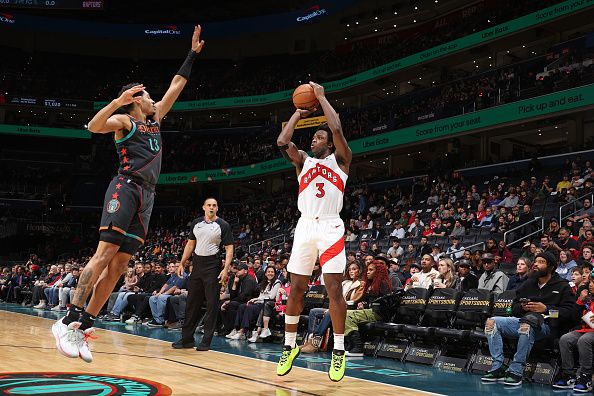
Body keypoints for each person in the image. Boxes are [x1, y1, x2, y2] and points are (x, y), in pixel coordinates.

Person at [52, 26, 206, 363]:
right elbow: (93, 127)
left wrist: (192, 53)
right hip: (125, 187)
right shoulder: (124, 120)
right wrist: (116, 102)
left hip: (147, 197)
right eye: (147, 95)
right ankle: (66, 319)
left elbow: (176, 85)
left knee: (120, 265)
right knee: (105, 253)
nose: (154, 98)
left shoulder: (155, 120)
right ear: (135, 99)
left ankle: (83, 324)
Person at [275, 81, 352, 381]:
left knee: (333, 288)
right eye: (314, 137)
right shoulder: (303, 161)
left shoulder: (341, 160)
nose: (315, 140)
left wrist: (321, 97)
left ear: (329, 145)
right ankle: (289, 346)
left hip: (331, 225)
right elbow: (283, 142)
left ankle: (339, 350)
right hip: (305, 225)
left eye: (319, 137)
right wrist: (297, 114)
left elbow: (337, 129)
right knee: (296, 287)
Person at [481, 252, 575, 386]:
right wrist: (522, 308)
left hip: (547, 325)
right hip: (524, 320)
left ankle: (516, 370)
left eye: (541, 262)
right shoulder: (528, 283)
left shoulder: (562, 285)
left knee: (526, 325)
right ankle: (498, 367)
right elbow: (513, 308)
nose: (535, 264)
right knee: (491, 322)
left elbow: (568, 313)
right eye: (535, 261)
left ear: (551, 267)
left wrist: (547, 310)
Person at [172, 197, 234, 351]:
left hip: (213, 265)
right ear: (204, 207)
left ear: (217, 208)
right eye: (209, 205)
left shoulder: (223, 225)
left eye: (214, 205)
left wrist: (225, 268)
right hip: (197, 264)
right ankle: (187, 339)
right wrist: (182, 263)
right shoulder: (196, 223)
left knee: (212, 304)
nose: (211, 207)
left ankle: (206, 340)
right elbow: (190, 244)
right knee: (192, 303)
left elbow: (229, 248)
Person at [554, 280, 594, 392]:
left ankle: (586, 376)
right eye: (591, 282)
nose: (591, 285)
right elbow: (574, 318)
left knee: (584, 340)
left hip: (591, 333)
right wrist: (580, 301)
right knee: (565, 339)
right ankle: (569, 374)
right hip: (584, 329)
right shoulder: (586, 297)